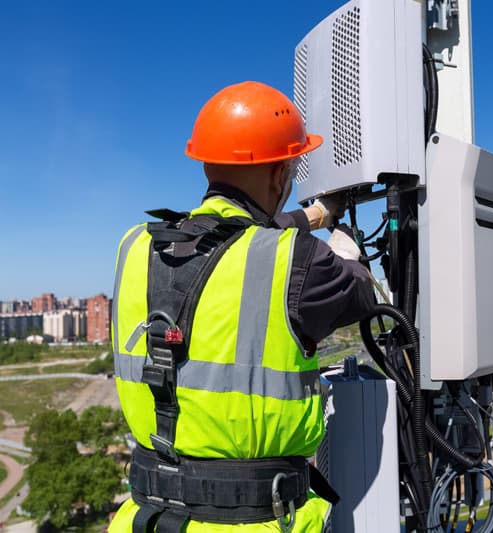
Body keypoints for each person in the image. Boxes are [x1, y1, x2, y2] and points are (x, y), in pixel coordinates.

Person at [109, 81, 375, 533]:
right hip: (253, 520)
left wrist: (312, 217)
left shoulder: (135, 246)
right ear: (280, 176)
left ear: (208, 165)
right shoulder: (300, 261)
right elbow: (363, 294)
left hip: (149, 518)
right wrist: (347, 252)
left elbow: (222, 240)